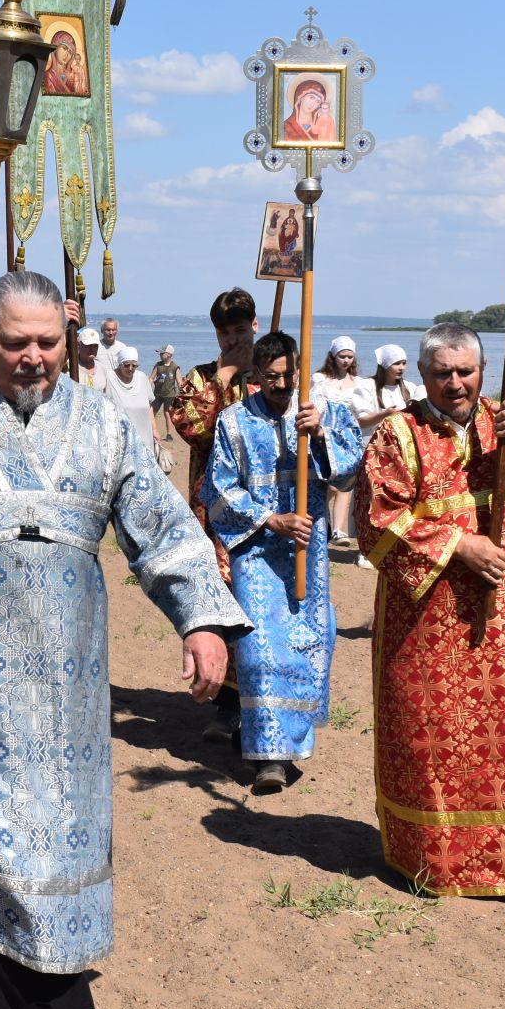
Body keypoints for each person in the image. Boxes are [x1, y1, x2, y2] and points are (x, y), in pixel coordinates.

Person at [0, 271, 245, 1009]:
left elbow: (161, 526)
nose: (34, 357)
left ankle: (24, 976)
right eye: (14, 343)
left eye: (48, 342)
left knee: (41, 833)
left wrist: (200, 621)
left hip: (60, 687)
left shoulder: (101, 424)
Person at [355, 322, 505, 897]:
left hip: (498, 612)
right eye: (443, 373)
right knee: (426, 734)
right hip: (422, 618)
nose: (456, 384)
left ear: (482, 370)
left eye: (466, 371)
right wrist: (458, 543)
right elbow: (374, 522)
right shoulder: (398, 435)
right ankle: (429, 859)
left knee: (500, 734)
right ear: (423, 374)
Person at [200, 331, 361, 792]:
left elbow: (351, 472)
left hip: (307, 551)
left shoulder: (322, 411)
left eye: (288, 377)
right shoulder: (233, 422)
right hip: (256, 551)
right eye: (271, 378)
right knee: (260, 649)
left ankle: (291, 745)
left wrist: (323, 437)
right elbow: (220, 489)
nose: (281, 386)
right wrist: (271, 519)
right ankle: (268, 757)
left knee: (313, 639)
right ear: (255, 376)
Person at [170, 287, 258, 742]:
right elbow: (190, 427)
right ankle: (226, 705)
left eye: (239, 331)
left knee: (260, 602)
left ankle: (259, 701)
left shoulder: (272, 376)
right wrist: (224, 375)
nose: (232, 340)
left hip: (264, 512)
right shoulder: (201, 378)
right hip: (213, 513)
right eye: (224, 333)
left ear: (254, 327)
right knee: (222, 600)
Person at [310, 336, 364, 550]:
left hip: (348, 435)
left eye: (350, 356)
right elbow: (315, 405)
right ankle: (325, 520)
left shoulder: (359, 382)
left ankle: (339, 530)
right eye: (342, 356)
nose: (346, 361)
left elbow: (360, 410)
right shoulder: (320, 379)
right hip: (324, 433)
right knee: (327, 482)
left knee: (347, 480)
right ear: (333, 356)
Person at [350, 343, 426, 445]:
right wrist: (385, 414)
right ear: (385, 365)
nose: (401, 368)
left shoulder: (410, 388)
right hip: (374, 446)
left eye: (404, 363)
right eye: (397, 363)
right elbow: (361, 422)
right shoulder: (367, 386)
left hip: (402, 445)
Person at [103, 344, 157, 451]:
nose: (130, 369)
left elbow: (149, 406)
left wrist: (155, 430)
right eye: (126, 365)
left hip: (144, 435)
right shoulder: (109, 377)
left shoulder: (142, 377)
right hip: (120, 437)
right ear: (120, 364)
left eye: (134, 365)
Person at [149, 345, 180, 442]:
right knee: (151, 413)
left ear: (169, 355)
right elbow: (151, 377)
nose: (160, 355)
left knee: (167, 413)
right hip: (157, 394)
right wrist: (148, 384)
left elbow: (179, 381)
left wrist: (182, 390)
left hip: (170, 395)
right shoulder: (158, 365)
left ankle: (169, 434)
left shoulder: (175, 367)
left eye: (162, 353)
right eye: (160, 353)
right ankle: (150, 432)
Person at [73, 326, 106, 391]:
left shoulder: (102, 368)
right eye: (88, 346)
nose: (92, 349)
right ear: (79, 345)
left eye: (95, 346)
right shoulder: (70, 367)